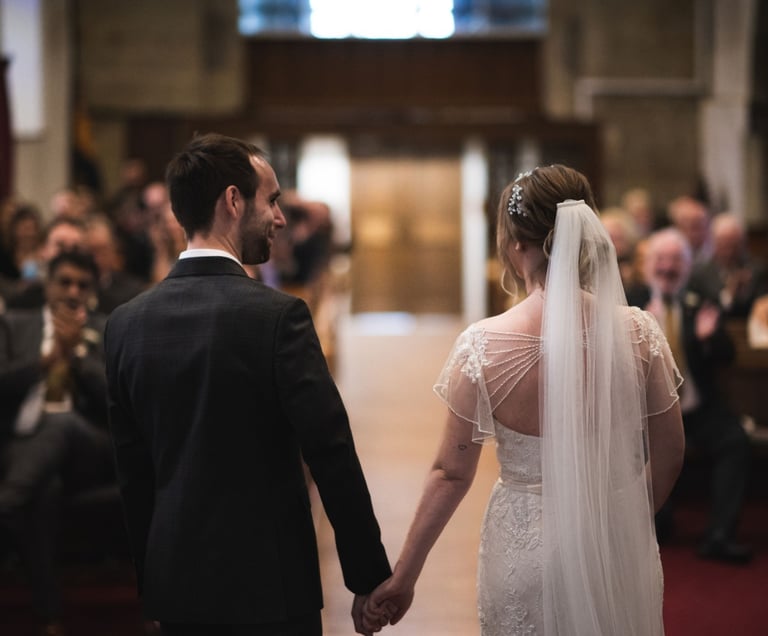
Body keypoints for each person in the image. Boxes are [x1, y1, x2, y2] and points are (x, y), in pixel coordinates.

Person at [364, 165, 686, 635]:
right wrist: (623, 520)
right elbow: (671, 449)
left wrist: (403, 576)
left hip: (525, 547)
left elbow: (450, 474)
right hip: (613, 545)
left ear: (516, 245)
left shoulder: (482, 345)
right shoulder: (637, 333)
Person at [104, 133, 391, 636]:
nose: (281, 218)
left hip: (178, 587)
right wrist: (368, 577)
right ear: (234, 201)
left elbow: (133, 471)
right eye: (273, 200)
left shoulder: (126, 324)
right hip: (271, 587)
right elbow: (330, 450)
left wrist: (154, 580)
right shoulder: (278, 317)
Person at [0, 249, 113, 636]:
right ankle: (50, 617)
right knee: (44, 489)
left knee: (61, 424)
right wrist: (46, 362)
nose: (73, 291)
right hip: (23, 446)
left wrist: (77, 354)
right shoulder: (15, 325)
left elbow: (117, 400)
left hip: (86, 446)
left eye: (82, 285)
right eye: (64, 282)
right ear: (47, 285)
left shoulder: (107, 328)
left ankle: (6, 504)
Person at [627, 228, 753, 563]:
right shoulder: (629, 302)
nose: (668, 267)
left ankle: (720, 534)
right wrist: (642, 337)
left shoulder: (702, 300)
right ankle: (649, 527)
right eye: (661, 259)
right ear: (648, 264)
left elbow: (728, 355)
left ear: (687, 266)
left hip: (696, 409)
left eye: (676, 260)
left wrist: (708, 338)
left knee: (735, 440)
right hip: (647, 415)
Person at [688, 212, 767, 319]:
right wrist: (728, 295)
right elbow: (701, 313)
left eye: (733, 245)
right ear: (714, 243)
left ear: (743, 243)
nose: (729, 252)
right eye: (724, 245)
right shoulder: (700, 274)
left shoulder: (758, 271)